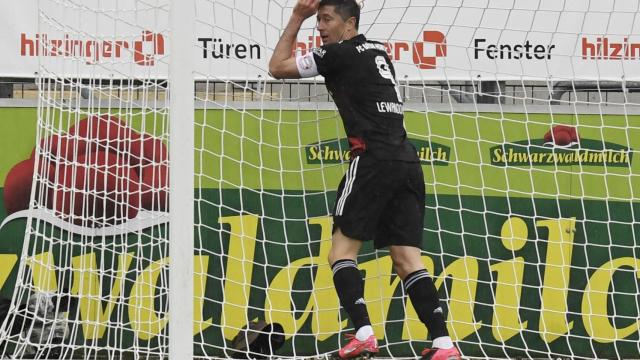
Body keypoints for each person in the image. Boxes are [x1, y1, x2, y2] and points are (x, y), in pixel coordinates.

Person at [268, 1, 462, 359]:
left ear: (349, 23)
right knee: (406, 258)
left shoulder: (337, 53)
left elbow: (277, 67)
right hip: (406, 161)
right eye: (317, 19)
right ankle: (443, 344)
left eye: (326, 20)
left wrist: (297, 16)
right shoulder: (379, 52)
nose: (320, 27)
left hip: (372, 159)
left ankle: (364, 333)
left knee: (340, 253)